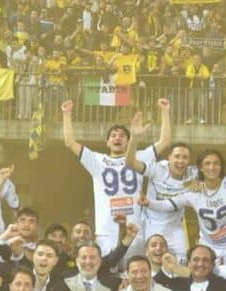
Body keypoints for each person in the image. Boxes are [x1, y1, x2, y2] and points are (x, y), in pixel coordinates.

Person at [61, 97, 172, 253]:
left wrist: (165, 112)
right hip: (105, 232)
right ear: (107, 142)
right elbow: (70, 143)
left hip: (133, 230)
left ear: (128, 141)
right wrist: (66, 114)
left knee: (134, 268)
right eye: (113, 135)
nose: (117, 138)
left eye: (122, 135)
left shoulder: (139, 157)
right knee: (107, 268)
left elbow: (165, 141)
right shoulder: (97, 160)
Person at [123, 119, 196, 262]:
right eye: (177, 156)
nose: (180, 161)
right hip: (152, 225)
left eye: (185, 157)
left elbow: (217, 177)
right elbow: (130, 164)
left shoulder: (194, 173)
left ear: (189, 160)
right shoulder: (157, 168)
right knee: (153, 264)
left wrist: (200, 185)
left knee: (181, 264)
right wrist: (134, 138)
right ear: (169, 158)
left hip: (175, 227)